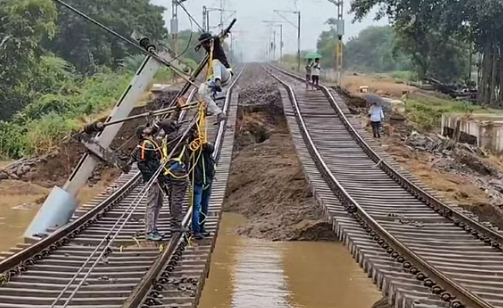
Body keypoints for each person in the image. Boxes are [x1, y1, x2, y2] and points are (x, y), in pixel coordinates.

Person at [152, 115, 190, 233]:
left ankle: (174, 222)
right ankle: (175, 224)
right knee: (177, 198)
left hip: (168, 171)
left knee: (172, 197)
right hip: (178, 172)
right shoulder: (177, 137)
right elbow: (190, 130)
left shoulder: (165, 138)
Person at [133, 124, 165, 241]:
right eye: (146, 129)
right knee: (152, 204)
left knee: (159, 203)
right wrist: (152, 177)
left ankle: (154, 228)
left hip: (159, 177)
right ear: (143, 134)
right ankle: (149, 231)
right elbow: (141, 163)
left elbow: (157, 128)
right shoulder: (145, 145)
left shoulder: (151, 142)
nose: (149, 129)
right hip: (153, 179)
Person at [196, 32, 233, 124]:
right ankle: (219, 113)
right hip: (215, 77)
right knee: (201, 90)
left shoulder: (216, 46)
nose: (206, 45)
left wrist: (208, 41)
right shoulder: (208, 52)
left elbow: (216, 38)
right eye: (204, 44)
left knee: (216, 61)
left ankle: (218, 81)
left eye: (206, 43)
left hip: (225, 75)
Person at [188, 137, 216, 240]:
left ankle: (202, 228)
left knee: (204, 205)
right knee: (196, 206)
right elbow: (188, 155)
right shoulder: (190, 146)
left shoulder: (205, 145)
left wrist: (204, 144)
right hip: (197, 181)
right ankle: (196, 230)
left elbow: (211, 149)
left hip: (207, 180)